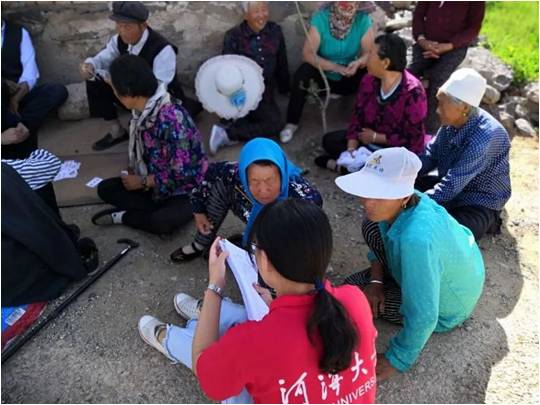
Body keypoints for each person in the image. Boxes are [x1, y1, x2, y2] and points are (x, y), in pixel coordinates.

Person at [138, 199, 378, 403]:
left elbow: (205, 371)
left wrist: (215, 287)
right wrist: (276, 303)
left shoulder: (253, 342)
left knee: (228, 365)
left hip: (256, 349)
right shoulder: (354, 298)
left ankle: (172, 337)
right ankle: (205, 318)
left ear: (263, 260)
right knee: (252, 330)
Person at [335, 147, 485, 381]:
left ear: (404, 197)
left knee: (351, 298)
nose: (367, 202)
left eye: (379, 195)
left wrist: (397, 358)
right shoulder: (411, 199)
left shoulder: (415, 241)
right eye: (367, 191)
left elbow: (425, 315)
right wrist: (376, 282)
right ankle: (386, 280)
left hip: (447, 307)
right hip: (458, 270)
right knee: (368, 236)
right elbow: (381, 235)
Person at [91, 55, 208, 235]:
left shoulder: (172, 119)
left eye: (114, 88)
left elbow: (183, 173)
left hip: (184, 190)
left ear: (127, 92)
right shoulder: (142, 112)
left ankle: (126, 216)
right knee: (105, 188)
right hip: (153, 182)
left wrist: (143, 182)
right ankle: (150, 209)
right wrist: (135, 172)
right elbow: (145, 153)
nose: (113, 92)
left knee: (162, 223)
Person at [170, 137, 322, 262]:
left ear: (282, 174)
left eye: (270, 180)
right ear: (244, 175)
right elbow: (207, 174)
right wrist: (198, 210)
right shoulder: (234, 173)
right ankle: (203, 242)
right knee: (222, 183)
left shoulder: (304, 200)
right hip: (249, 209)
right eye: (254, 181)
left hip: (282, 233)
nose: (263, 191)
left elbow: (308, 245)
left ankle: (250, 246)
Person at [80, 1, 202, 151]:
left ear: (143, 25)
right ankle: (117, 131)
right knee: (94, 79)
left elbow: (159, 91)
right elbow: (103, 58)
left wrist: (124, 93)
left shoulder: (163, 50)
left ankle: (143, 124)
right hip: (130, 95)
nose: (122, 31)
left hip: (159, 100)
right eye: (119, 25)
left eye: (127, 27)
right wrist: (90, 65)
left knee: (152, 145)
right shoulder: (119, 40)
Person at [416, 68, 511, 241]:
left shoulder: (486, 136)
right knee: (406, 183)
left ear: (464, 107)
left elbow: (452, 184)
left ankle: (490, 220)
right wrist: (407, 169)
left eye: (442, 105)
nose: (437, 110)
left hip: (478, 198)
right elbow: (430, 155)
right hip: (451, 184)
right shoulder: (451, 123)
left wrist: (416, 204)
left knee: (455, 232)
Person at [315, 33, 427, 173]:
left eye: (371, 54)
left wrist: (377, 137)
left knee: (400, 166)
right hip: (367, 143)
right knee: (330, 141)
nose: (367, 59)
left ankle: (347, 169)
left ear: (385, 63)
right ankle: (360, 167)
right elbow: (357, 116)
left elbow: (413, 137)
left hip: (394, 149)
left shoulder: (413, 92)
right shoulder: (368, 80)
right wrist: (351, 150)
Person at [280, 1, 375, 144]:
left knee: (372, 73)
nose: (349, 5)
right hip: (324, 76)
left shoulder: (363, 20)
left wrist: (358, 63)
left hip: (350, 75)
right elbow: (308, 54)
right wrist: (335, 67)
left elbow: (369, 53)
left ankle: (368, 124)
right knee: (303, 73)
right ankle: (291, 123)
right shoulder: (321, 19)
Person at [207, 1, 290, 154]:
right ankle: (228, 131)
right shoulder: (233, 36)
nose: (261, 15)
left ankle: (228, 132)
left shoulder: (275, 31)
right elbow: (226, 70)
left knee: (274, 123)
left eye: (264, 10)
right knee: (269, 123)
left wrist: (285, 88)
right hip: (242, 93)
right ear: (246, 15)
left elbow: (281, 62)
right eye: (256, 11)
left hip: (265, 94)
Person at [409, 1, 485, 133]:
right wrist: (422, 40)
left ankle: (430, 133)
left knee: (438, 80)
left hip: (454, 48)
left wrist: (448, 46)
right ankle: (404, 122)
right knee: (408, 74)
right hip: (425, 44)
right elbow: (419, 14)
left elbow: (473, 28)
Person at [1, 19, 68, 160]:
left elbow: (30, 73)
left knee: (56, 91)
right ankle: (13, 133)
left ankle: (21, 127)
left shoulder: (19, 32)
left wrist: (16, 98)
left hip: (18, 96)